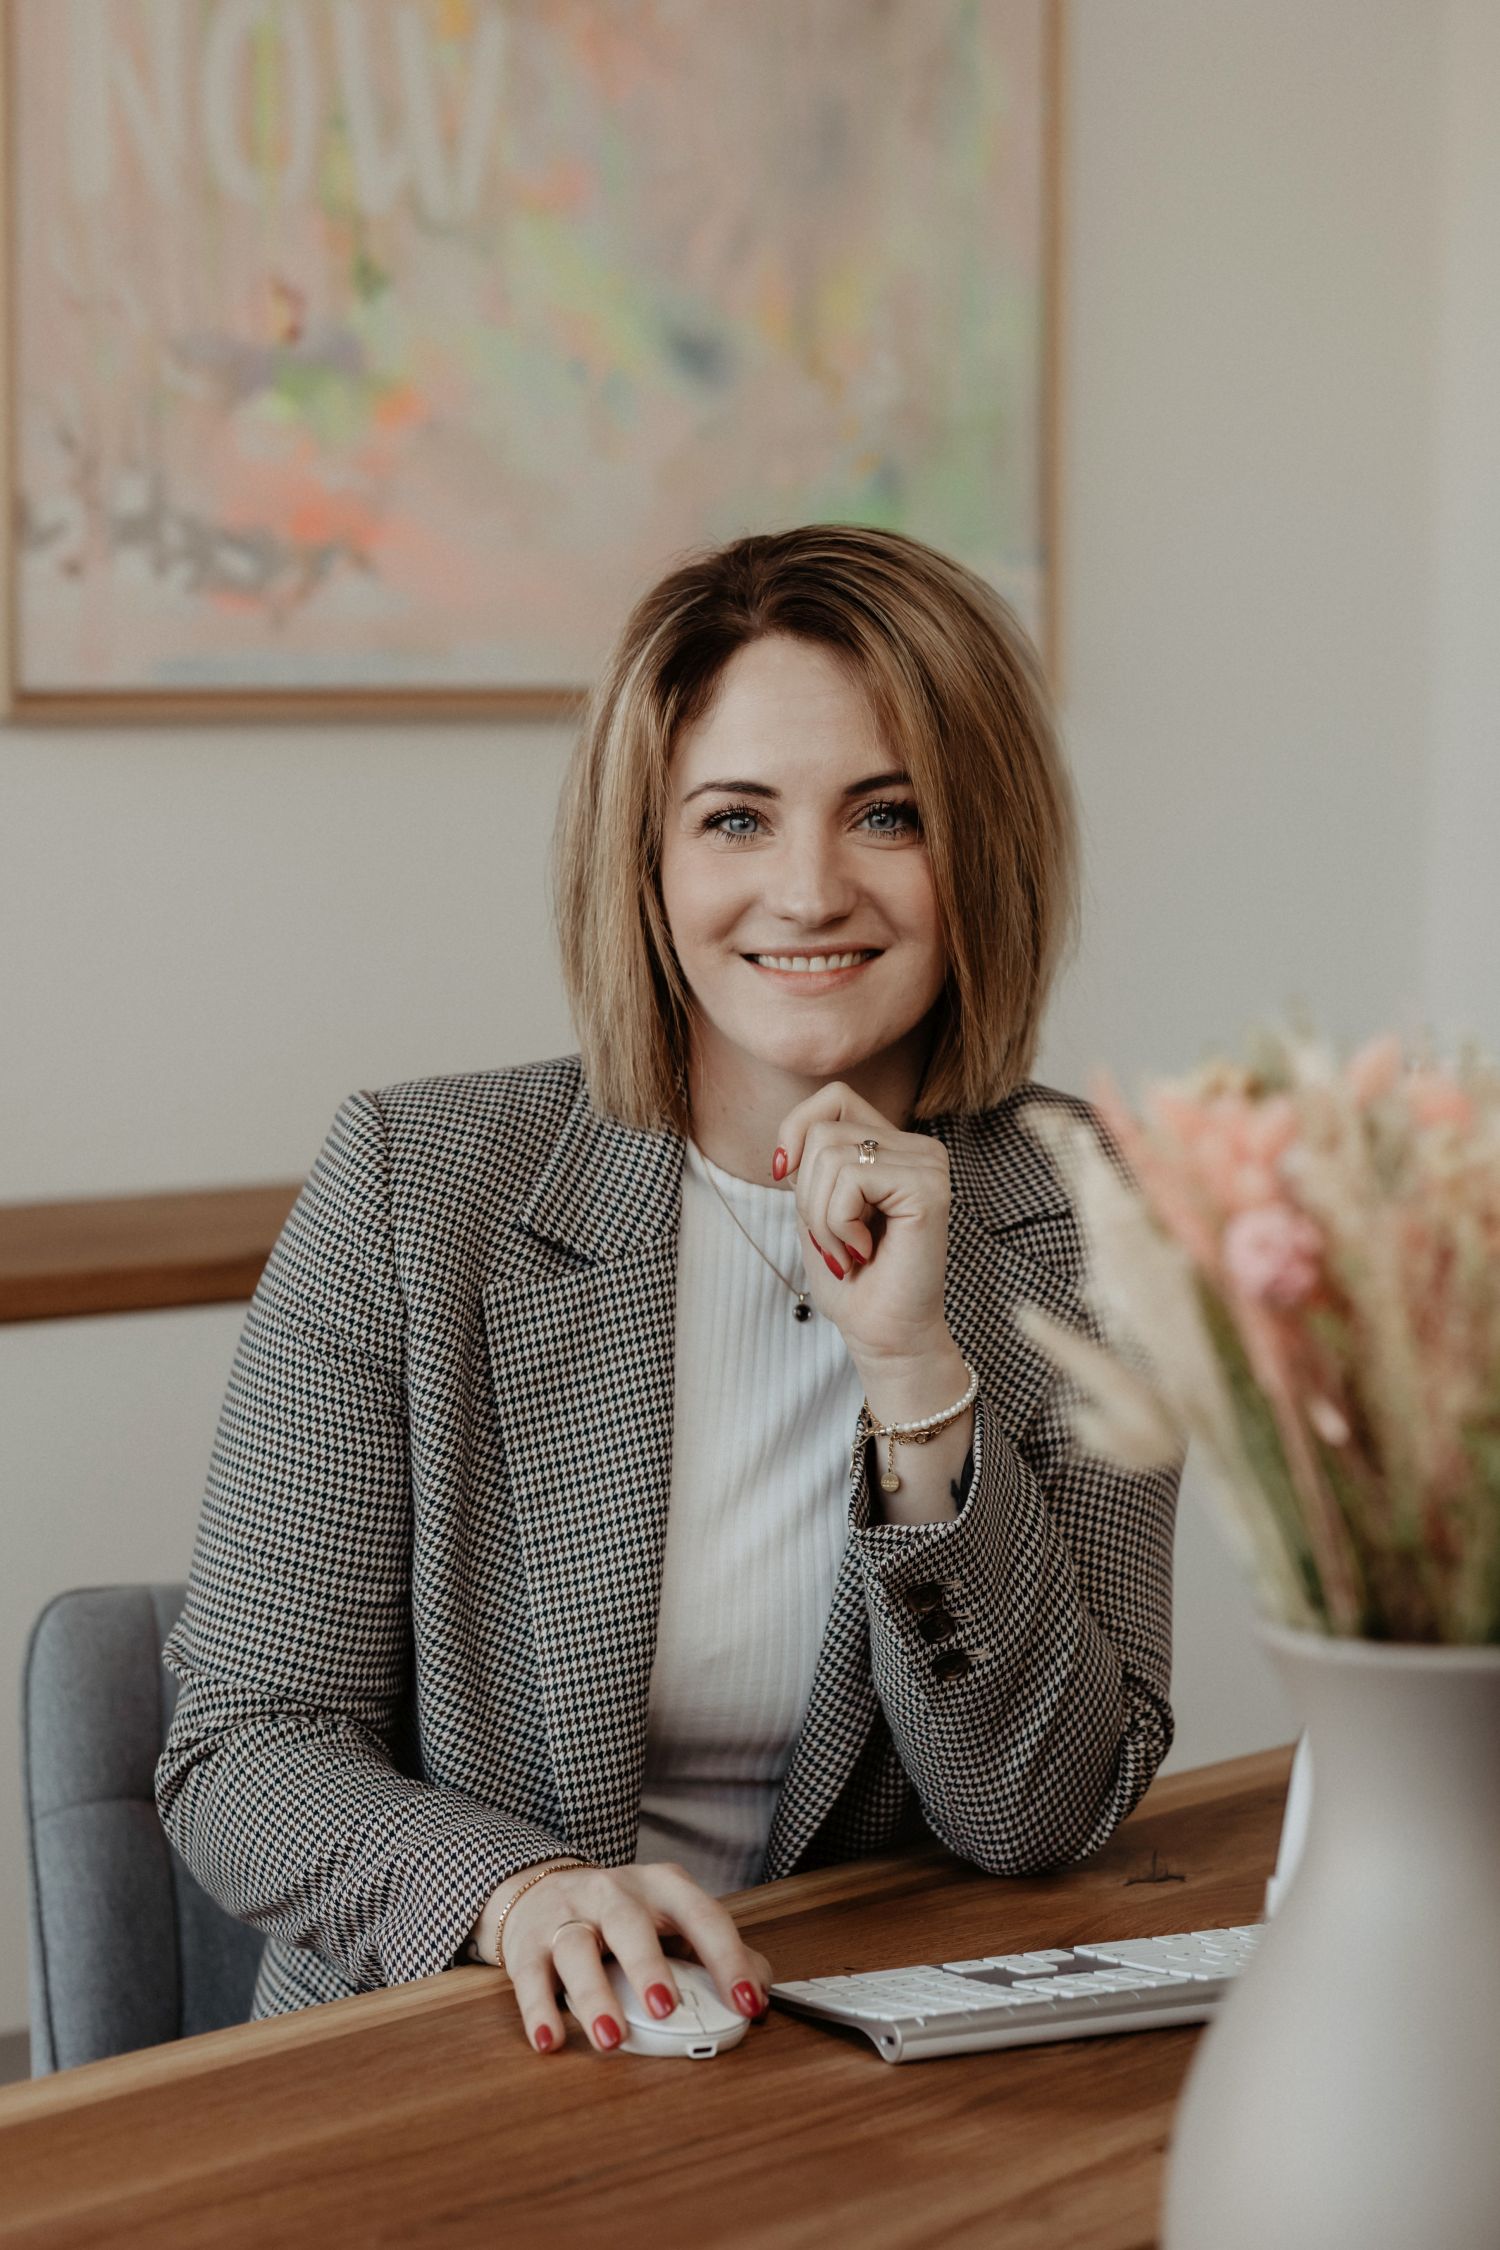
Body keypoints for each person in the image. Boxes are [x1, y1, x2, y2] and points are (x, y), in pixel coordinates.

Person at [155, 524, 1181, 2061]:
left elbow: (1038, 1806)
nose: (810, 888)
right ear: (648, 858)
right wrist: (522, 1893)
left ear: (988, 845)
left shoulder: (1090, 1215)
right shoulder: (412, 1187)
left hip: (851, 2075)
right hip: (466, 2049)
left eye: (888, 812)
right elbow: (241, 1747)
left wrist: (915, 1371)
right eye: (736, 819)